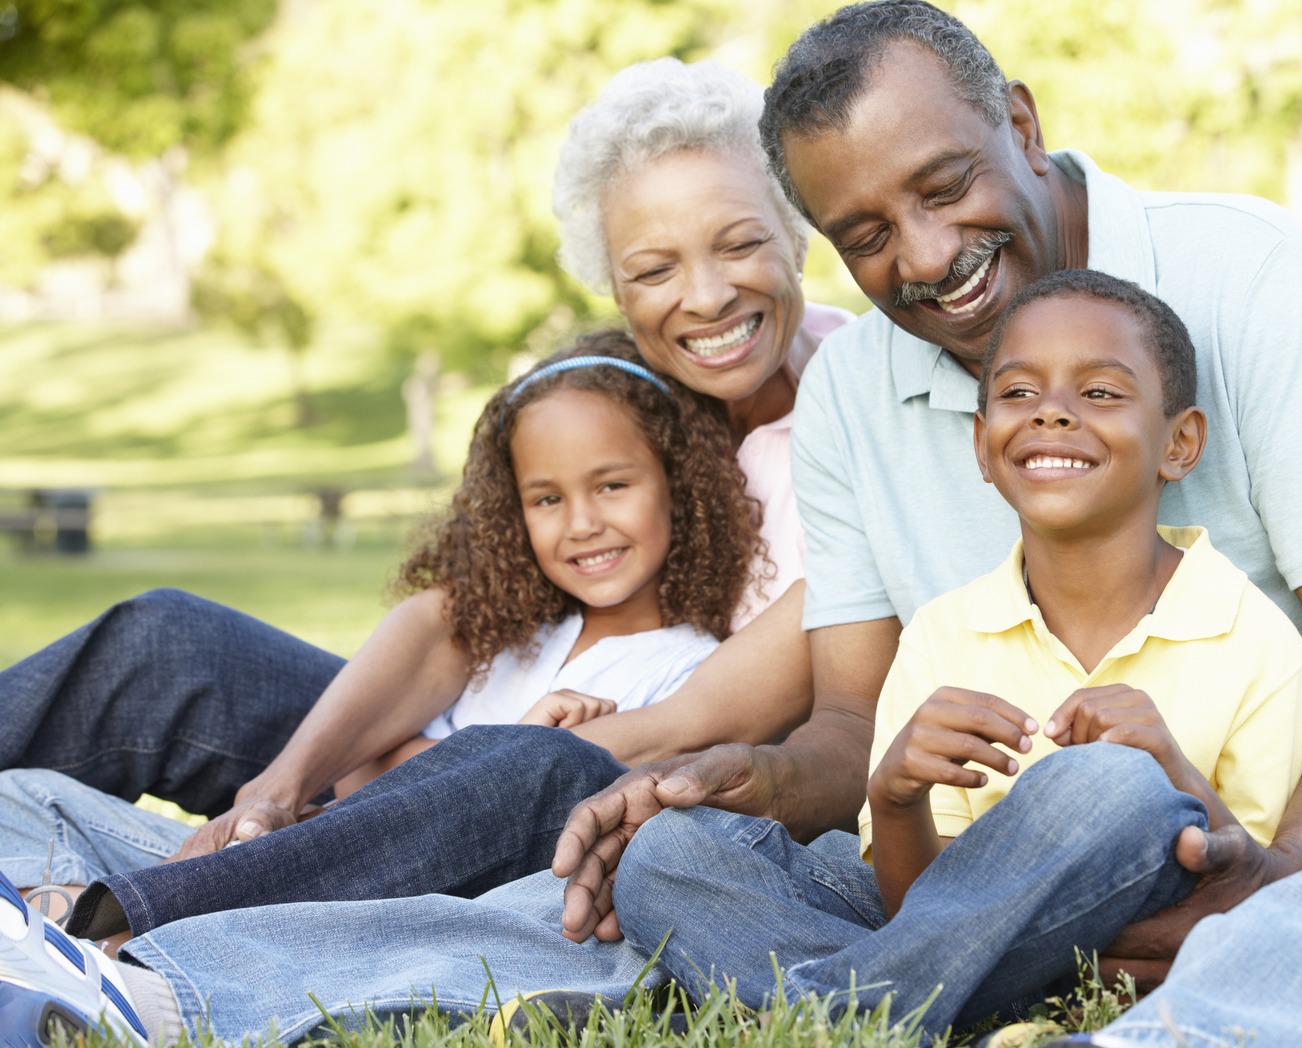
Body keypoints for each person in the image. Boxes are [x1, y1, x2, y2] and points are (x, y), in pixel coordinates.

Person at [0, 9, 1302, 1048]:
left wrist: (1281, 874)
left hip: (1273, 834)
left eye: (950, 187)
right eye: (868, 236)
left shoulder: (1260, 280)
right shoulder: (869, 390)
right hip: (965, 866)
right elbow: (838, 724)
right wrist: (704, 779)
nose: (932, 259)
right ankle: (146, 974)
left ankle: (1231, 999)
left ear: (1022, 122)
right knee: (665, 853)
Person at [0, 57, 851, 941]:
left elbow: (706, 718)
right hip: (478, 740)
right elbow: (458, 616)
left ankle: (118, 933)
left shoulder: (863, 409)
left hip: (621, 782)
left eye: (741, 242)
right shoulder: (624, 393)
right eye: (654, 269)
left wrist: (440, 768)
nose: (706, 296)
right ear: (614, 284)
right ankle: (271, 827)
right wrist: (285, 785)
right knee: (168, 641)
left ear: (795, 232)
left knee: (528, 762)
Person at [610, 269, 1302, 1037]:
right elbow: (917, 908)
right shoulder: (945, 632)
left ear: (1178, 444)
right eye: (1017, 394)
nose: (1051, 413)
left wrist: (1169, 777)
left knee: (1115, 784)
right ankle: (943, 1013)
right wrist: (895, 795)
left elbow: (1260, 895)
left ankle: (850, 1013)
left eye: (1101, 394)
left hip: (1137, 927)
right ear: (982, 446)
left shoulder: (1252, 639)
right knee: (674, 850)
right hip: (956, 940)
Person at [0, 329, 759, 927]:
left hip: (374, 886)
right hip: (311, 834)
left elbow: (484, 816)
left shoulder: (684, 668)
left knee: (518, 762)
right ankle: (69, 898)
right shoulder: (516, 631)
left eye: (614, 485)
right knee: (148, 651)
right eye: (546, 499)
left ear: (681, 488)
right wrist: (401, 762)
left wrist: (443, 757)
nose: (584, 523)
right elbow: (372, 764)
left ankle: (99, 922)